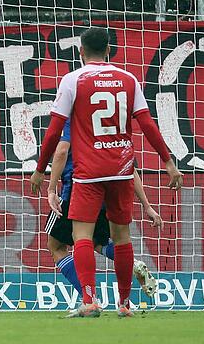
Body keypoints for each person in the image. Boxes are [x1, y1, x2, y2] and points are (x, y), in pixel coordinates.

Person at [30, 27, 183, 318]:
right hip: (122, 169)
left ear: (81, 51)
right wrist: (168, 161)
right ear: (110, 50)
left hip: (88, 172)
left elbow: (54, 133)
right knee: (121, 236)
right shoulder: (128, 79)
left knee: (82, 236)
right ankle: (124, 305)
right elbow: (147, 124)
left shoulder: (73, 80)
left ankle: (89, 300)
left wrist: (40, 169)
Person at [32, 118, 162, 304]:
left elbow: (61, 151)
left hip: (77, 191)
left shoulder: (74, 118)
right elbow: (130, 169)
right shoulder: (113, 126)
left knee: (56, 246)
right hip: (106, 193)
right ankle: (130, 268)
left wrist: (51, 188)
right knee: (94, 241)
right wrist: (147, 205)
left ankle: (90, 299)